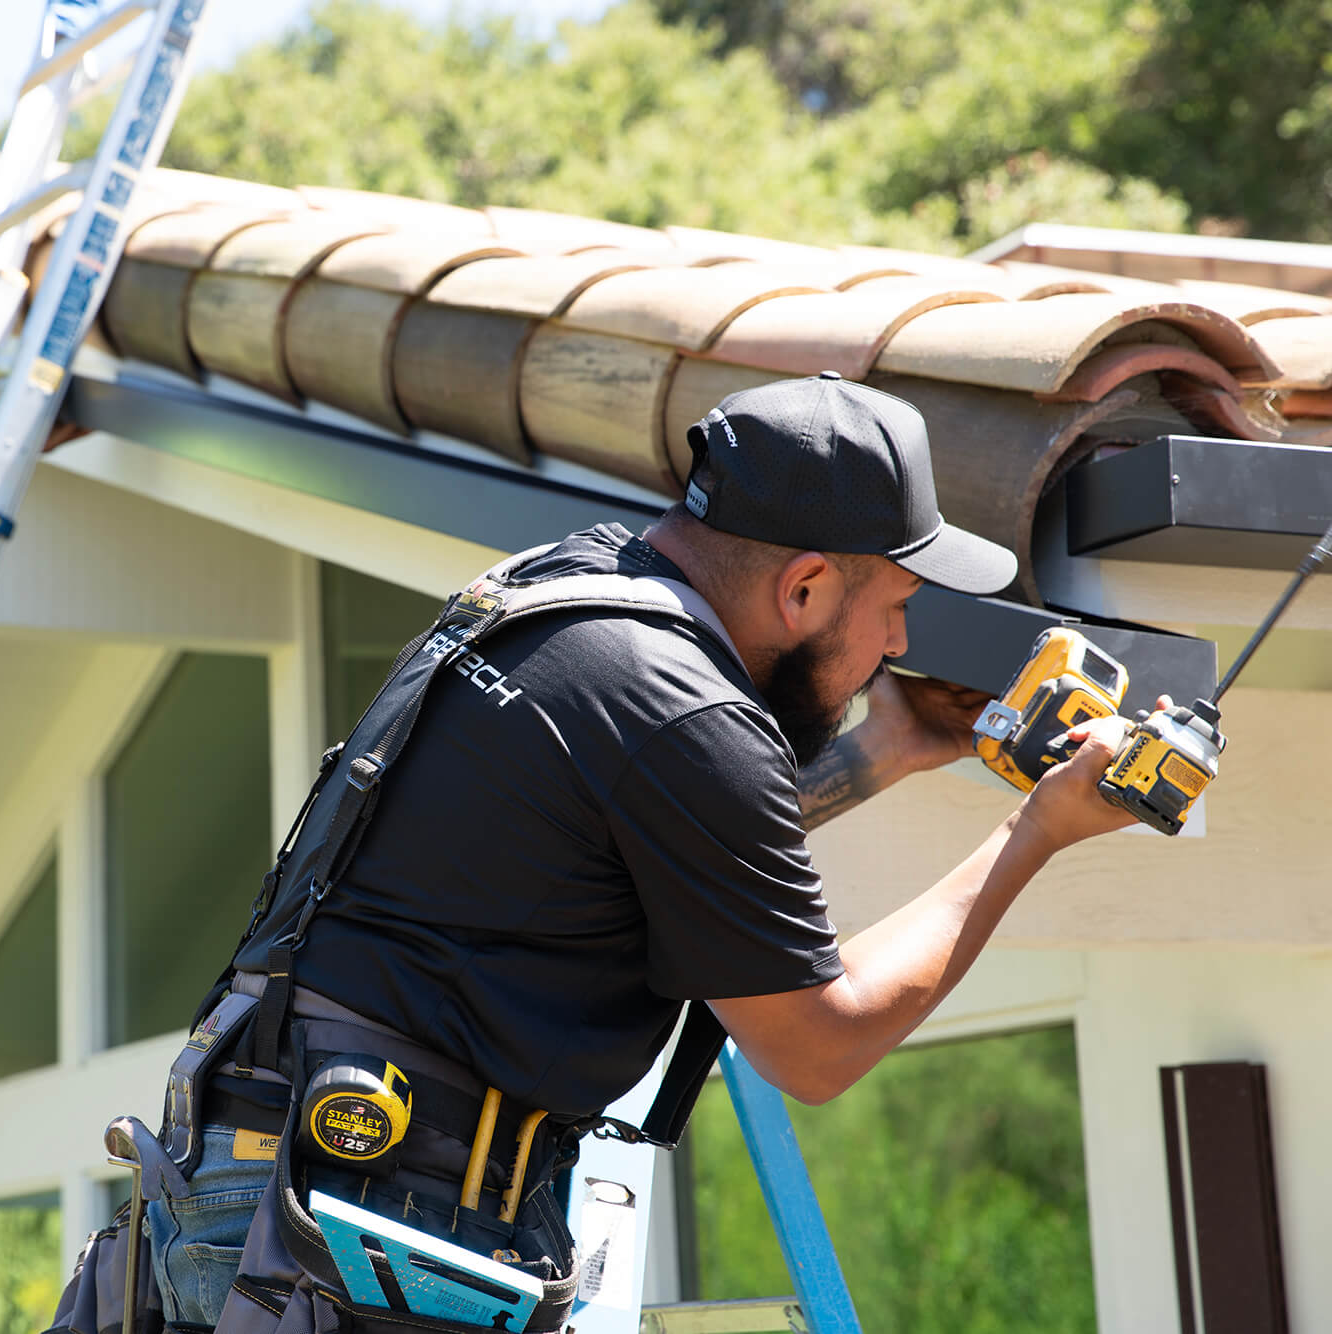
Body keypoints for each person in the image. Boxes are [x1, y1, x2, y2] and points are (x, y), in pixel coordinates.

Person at [142, 372, 1149, 1334]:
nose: (896, 642)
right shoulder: (683, 708)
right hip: (364, 1217)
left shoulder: (575, 593)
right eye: (892, 602)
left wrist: (883, 747)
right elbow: (816, 1043)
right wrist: (1035, 832)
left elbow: (654, 844)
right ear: (802, 587)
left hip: (278, 1180)